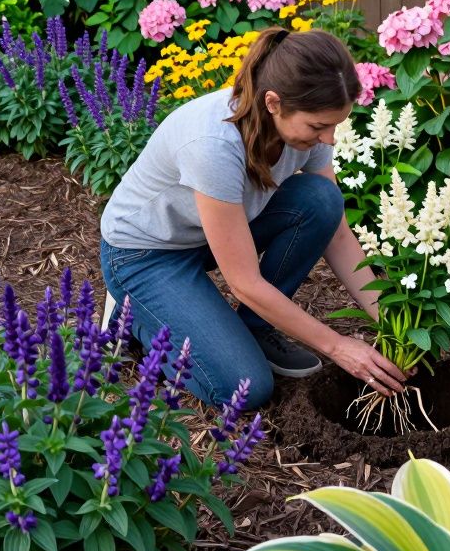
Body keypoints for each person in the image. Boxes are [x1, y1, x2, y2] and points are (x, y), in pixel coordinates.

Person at [99, 27, 408, 408]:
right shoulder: (213, 145)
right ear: (274, 102)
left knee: (323, 200)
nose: (329, 139)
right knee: (244, 387)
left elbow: (337, 234)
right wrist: (338, 346)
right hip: (145, 255)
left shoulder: (303, 133)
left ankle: (254, 328)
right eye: (318, 126)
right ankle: (135, 319)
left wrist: (391, 322)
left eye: (335, 126)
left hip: (211, 235)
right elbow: (243, 281)